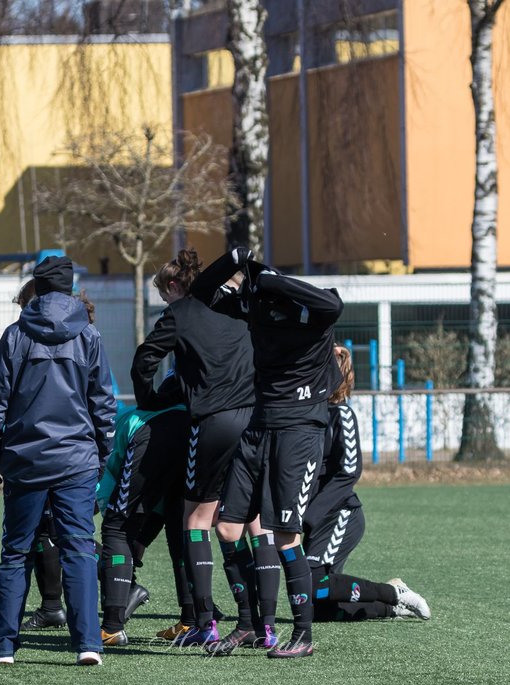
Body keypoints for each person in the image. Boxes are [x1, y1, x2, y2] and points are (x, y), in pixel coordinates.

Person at [190, 248, 345, 659]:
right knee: (226, 528)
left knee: (285, 534)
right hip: (258, 426)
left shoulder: (314, 311)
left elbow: (334, 302)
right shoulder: (256, 304)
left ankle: (304, 634)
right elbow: (201, 290)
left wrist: (272, 281)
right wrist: (232, 259)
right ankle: (248, 624)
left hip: (301, 430)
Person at [132, 249, 270, 649]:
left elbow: (144, 359)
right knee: (250, 522)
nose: (162, 302)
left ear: (175, 286)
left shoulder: (180, 313)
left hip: (214, 423)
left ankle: (204, 621)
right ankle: (262, 625)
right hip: (255, 420)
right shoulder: (236, 307)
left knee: (196, 521)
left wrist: (151, 402)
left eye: (162, 293)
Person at [0, 255, 116, 666]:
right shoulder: (88, 335)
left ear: (36, 287)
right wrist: (102, 452)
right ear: (71, 287)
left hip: (25, 459)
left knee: (16, 552)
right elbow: (103, 402)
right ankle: (88, 644)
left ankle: (3, 646)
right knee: (78, 549)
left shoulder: (16, 335)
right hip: (76, 459)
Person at [303, 345, 430, 621]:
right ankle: (390, 608)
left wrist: (310, 515)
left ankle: (394, 592)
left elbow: (349, 471)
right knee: (317, 606)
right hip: (316, 519)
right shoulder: (307, 416)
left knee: (313, 583)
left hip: (340, 515)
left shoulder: (342, 415)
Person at [95, 386, 188, 646]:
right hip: (192, 425)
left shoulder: (96, 442)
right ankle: (192, 621)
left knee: (115, 527)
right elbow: (153, 508)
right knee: (181, 527)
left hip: (152, 432)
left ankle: (112, 627)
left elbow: (104, 499)